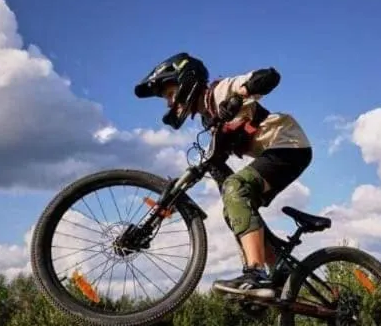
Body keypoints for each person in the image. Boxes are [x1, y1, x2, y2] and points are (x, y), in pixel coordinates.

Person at [134, 52, 312, 298]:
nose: (169, 103)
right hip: (276, 153)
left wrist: (238, 97)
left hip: (290, 146)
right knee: (233, 208)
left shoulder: (220, 92)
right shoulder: (210, 118)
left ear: (185, 80)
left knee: (235, 188)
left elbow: (269, 76)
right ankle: (276, 278)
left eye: (169, 93)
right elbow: (215, 165)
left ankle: (255, 273)